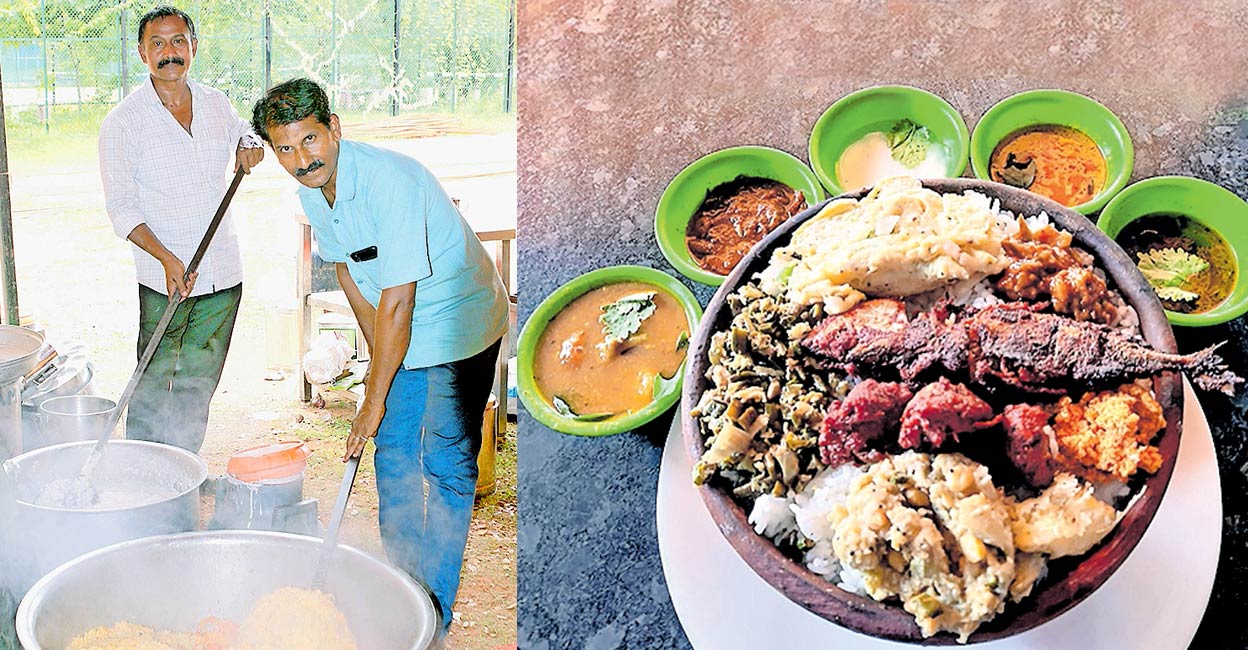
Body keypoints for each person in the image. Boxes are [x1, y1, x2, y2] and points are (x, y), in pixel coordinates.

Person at [251, 78, 507, 634]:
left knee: (445, 462)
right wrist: (379, 372)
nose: (302, 159)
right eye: (285, 148)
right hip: (401, 321)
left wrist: (372, 397)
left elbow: (399, 301)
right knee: (392, 450)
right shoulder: (312, 191)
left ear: (334, 128)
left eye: (310, 139)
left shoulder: (390, 181)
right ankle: (403, 590)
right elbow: (349, 272)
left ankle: (433, 615)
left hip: (458, 317)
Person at [98, 6, 263, 453]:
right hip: (163, 279)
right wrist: (167, 259)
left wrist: (249, 143)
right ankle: (141, 471)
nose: (169, 52)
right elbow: (121, 208)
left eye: (178, 41)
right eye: (157, 43)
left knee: (198, 382)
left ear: (193, 46)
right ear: (142, 52)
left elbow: (246, 131)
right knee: (153, 379)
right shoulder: (122, 122)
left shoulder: (216, 103)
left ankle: (182, 470)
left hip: (222, 272)